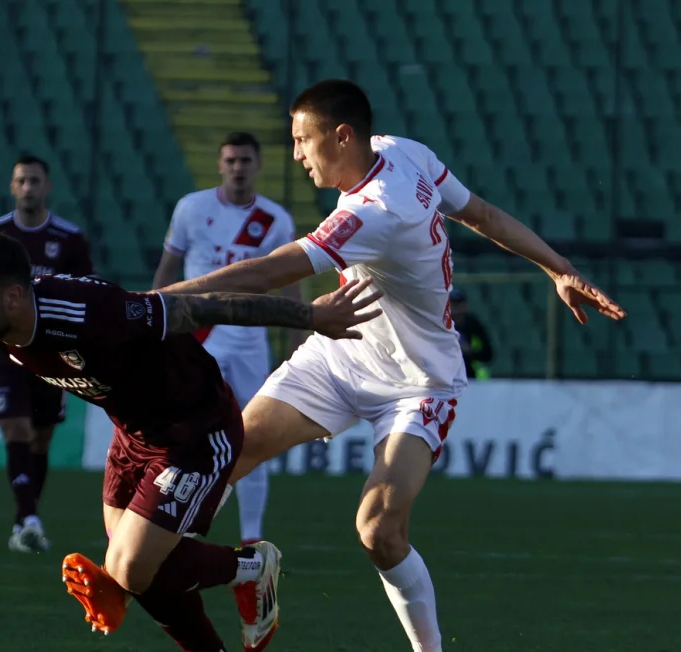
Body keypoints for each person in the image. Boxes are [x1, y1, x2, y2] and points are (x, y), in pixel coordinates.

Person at [158, 79, 626, 652]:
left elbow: (268, 272)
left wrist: (165, 301)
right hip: (340, 355)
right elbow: (481, 214)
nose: (298, 154)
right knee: (224, 456)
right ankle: (221, 573)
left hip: (417, 383)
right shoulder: (404, 150)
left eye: (304, 141)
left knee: (379, 530)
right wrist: (557, 266)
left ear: (342, 136)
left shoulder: (373, 212)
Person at [0, 232, 383, 652]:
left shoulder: (93, 314)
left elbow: (209, 305)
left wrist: (309, 314)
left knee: (132, 568)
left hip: (196, 430)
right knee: (135, 575)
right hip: (133, 433)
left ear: (15, 296)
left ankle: (250, 568)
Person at [152, 131, 302, 547]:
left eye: (245, 161)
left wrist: (294, 346)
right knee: (184, 434)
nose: (238, 168)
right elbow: (168, 270)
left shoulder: (276, 221)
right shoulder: (191, 208)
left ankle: (252, 538)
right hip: (197, 338)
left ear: (258, 166)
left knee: (254, 438)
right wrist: (152, 322)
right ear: (220, 165)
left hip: (251, 344)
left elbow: (291, 287)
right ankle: (168, 527)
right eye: (231, 161)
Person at [0, 154, 95, 553]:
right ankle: (29, 519)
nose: (28, 188)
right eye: (21, 181)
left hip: (51, 353)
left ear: (48, 186)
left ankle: (25, 520)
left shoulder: (69, 239)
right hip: (5, 352)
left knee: (40, 443)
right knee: (17, 431)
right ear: (12, 187)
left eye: (35, 181)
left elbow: (86, 292)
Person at [448, 287, 493, 379]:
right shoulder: (442, 324)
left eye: (459, 303)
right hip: (447, 374)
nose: (456, 306)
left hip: (471, 375)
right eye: (453, 303)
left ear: (465, 304)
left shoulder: (473, 324)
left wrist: (469, 351)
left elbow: (488, 354)